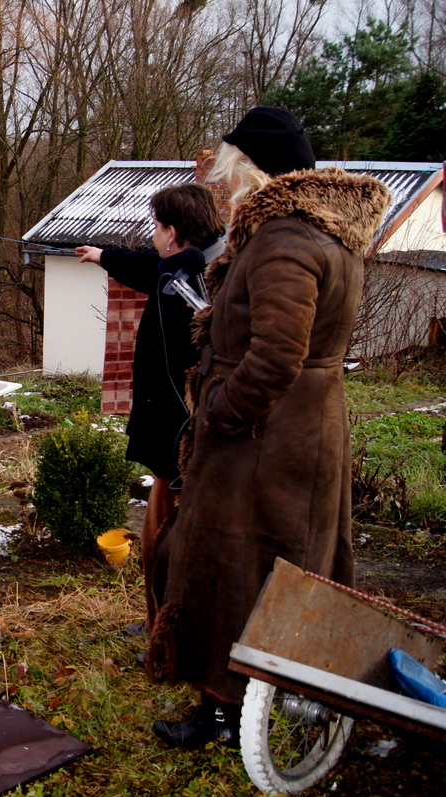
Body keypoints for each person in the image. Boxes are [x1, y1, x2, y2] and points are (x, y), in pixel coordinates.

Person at [146, 106, 392, 748]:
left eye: (231, 170)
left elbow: (278, 355)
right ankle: (270, 695)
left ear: (254, 170)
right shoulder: (323, 230)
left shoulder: (285, 239)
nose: (224, 184)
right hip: (299, 429)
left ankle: (226, 711)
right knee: (285, 563)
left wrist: (221, 411)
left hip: (264, 438)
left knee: (236, 569)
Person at [75, 183, 225, 632]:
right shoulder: (192, 262)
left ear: (173, 233)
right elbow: (150, 266)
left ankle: (172, 629)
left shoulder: (204, 278)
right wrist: (103, 255)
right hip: (176, 433)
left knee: (175, 536)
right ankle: (161, 621)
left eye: (157, 227)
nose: (154, 235)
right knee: (160, 528)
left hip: (186, 429)